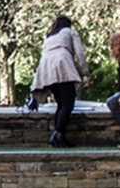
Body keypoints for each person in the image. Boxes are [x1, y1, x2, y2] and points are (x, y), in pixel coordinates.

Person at [30, 15, 88, 147]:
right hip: (63, 66)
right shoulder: (70, 32)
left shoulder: (49, 37)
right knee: (68, 104)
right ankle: (57, 134)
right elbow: (79, 53)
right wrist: (84, 72)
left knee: (61, 104)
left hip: (47, 69)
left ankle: (59, 137)